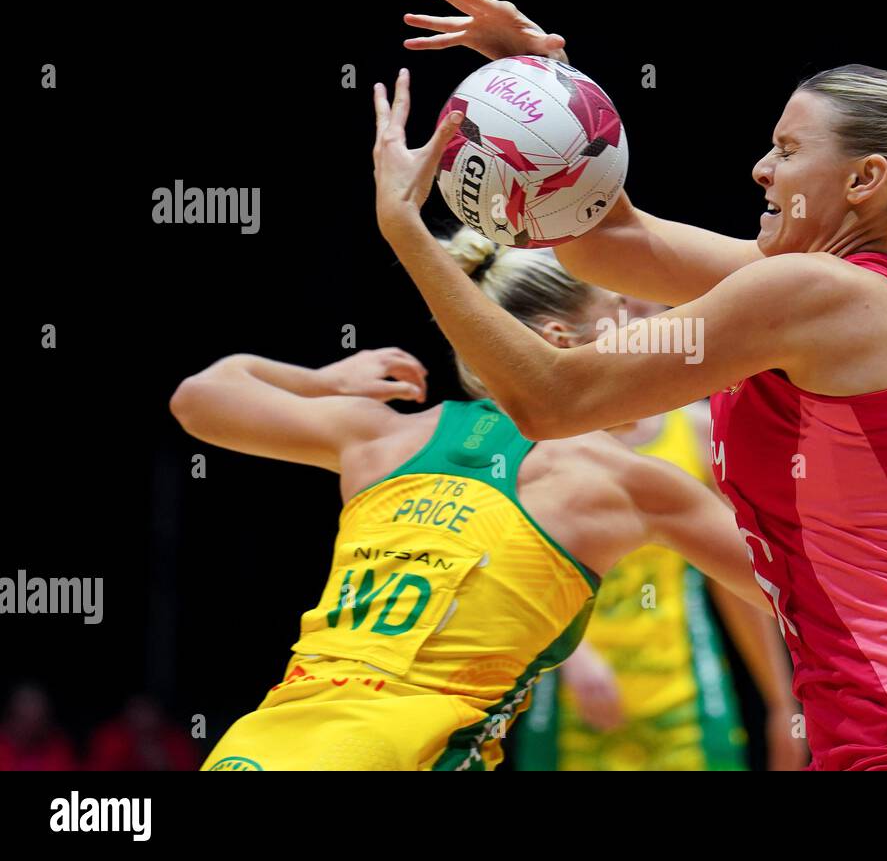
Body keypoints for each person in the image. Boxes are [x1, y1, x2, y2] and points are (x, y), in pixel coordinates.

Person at [371, 0, 887, 770]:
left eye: (789, 151)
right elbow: (612, 241)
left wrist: (406, 231)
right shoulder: (821, 287)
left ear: (863, 180)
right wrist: (541, 76)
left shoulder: (814, 293)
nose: (762, 169)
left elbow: (552, 399)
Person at [170, 235, 769, 771]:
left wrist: (323, 381)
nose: (652, 345)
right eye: (628, 324)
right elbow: (800, 587)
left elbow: (200, 397)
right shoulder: (618, 479)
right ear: (558, 342)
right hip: (395, 754)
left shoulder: (381, 435)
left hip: (262, 744)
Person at [514, 351, 805, 771]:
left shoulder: (697, 428)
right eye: (624, 311)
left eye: (650, 315)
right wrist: (571, 655)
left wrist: (781, 700)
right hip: (568, 695)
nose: (638, 328)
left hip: (685, 696)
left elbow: (737, 580)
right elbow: (506, 557)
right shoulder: (541, 430)